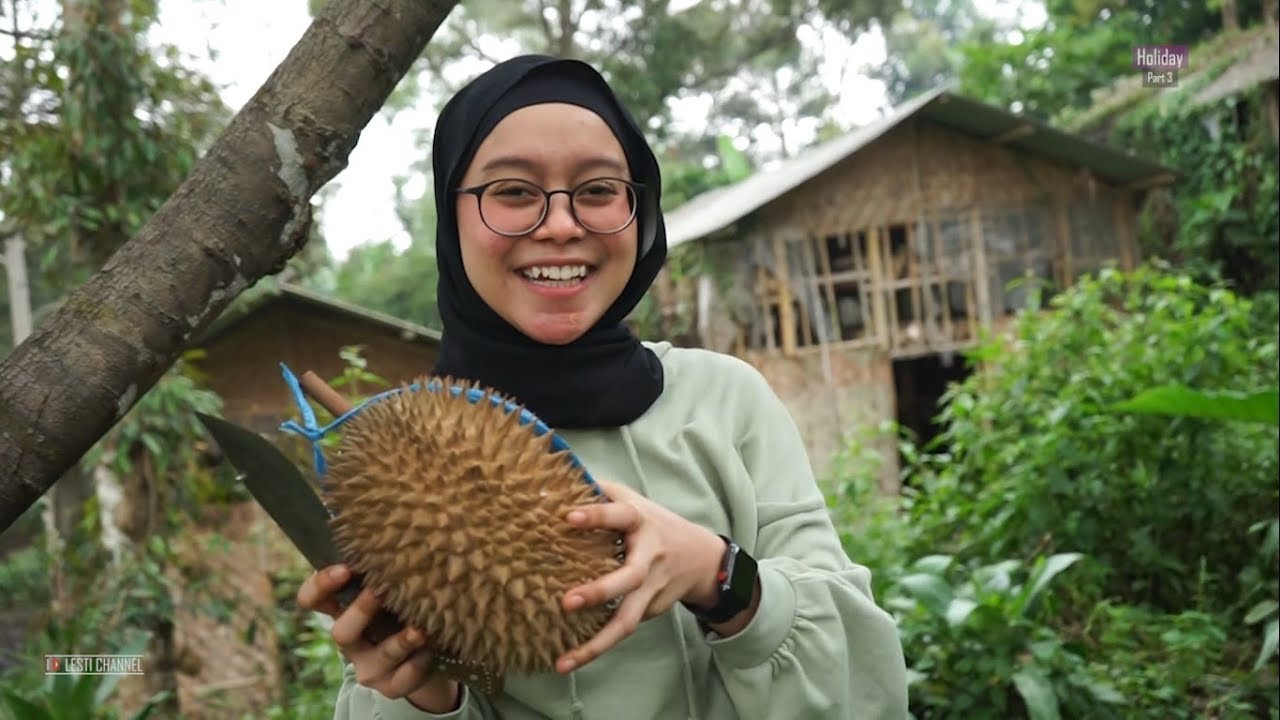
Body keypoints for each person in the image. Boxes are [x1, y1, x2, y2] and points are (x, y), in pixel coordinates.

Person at [296, 54, 909, 720]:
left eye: (596, 191)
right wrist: (425, 693)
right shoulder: (394, 460)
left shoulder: (725, 402)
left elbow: (864, 690)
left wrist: (718, 575)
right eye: (513, 192)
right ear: (452, 215)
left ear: (637, 210)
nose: (561, 225)